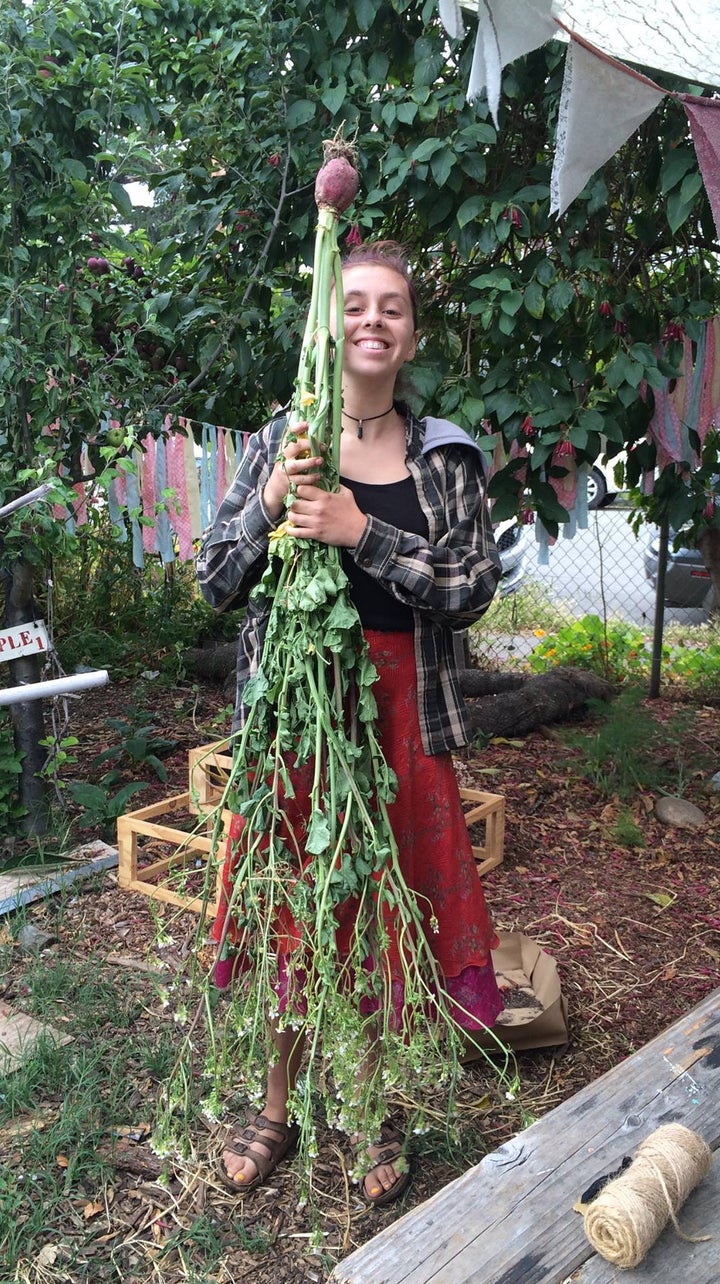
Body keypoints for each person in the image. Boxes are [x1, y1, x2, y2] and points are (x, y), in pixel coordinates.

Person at [196, 240, 503, 1205]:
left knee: (385, 910)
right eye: (355, 303)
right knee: (292, 906)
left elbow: (471, 586)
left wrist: (361, 533)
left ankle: (373, 1106)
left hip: (400, 715)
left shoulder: (444, 454)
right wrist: (274, 508)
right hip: (298, 715)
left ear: (411, 336)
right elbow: (212, 578)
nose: (373, 320)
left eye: (394, 308)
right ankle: (278, 1107)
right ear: (330, 324)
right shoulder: (280, 441)